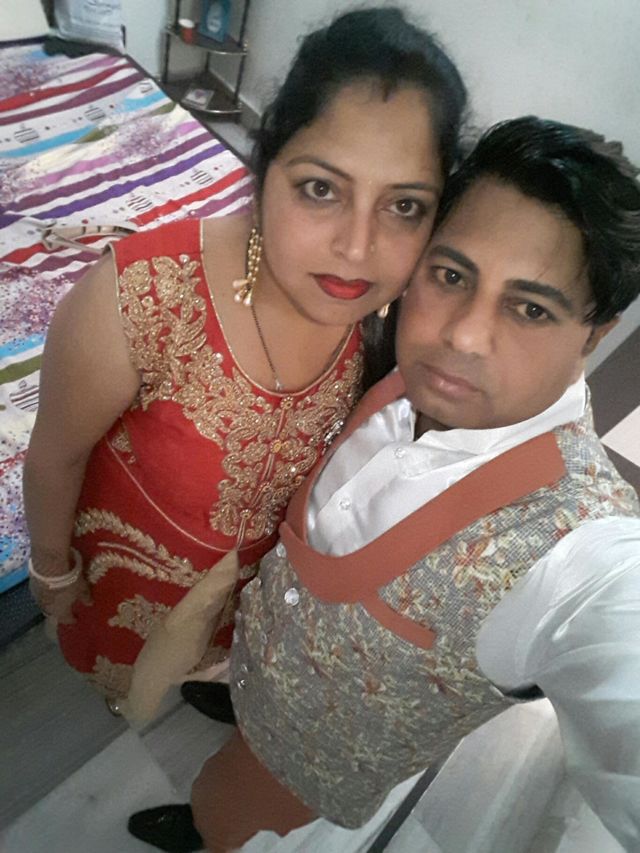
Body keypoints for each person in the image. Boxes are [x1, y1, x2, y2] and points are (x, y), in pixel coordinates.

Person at [128, 116, 640, 853]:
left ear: (595, 333)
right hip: (254, 664)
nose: (462, 335)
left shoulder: (577, 552)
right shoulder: (394, 373)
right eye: (451, 275)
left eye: (530, 308)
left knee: (225, 818)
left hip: (301, 779)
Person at [22, 7, 467, 704]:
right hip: (118, 587)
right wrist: (53, 574)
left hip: (250, 609)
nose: (358, 247)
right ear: (266, 170)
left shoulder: (398, 328)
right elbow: (54, 457)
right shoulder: (139, 300)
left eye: (404, 206)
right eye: (321, 189)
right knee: (124, 685)